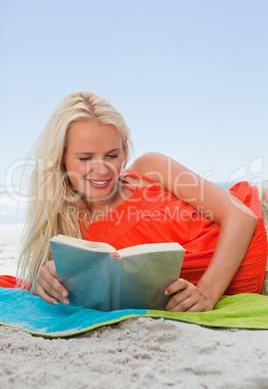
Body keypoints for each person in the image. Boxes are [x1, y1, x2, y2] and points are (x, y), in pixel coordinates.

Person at [2, 91, 267, 312]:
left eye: (112, 155)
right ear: (61, 158)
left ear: (124, 149)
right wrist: (43, 280)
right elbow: (51, 290)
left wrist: (208, 294)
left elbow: (241, 216)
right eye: (85, 158)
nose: (102, 170)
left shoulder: (149, 168)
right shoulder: (70, 235)